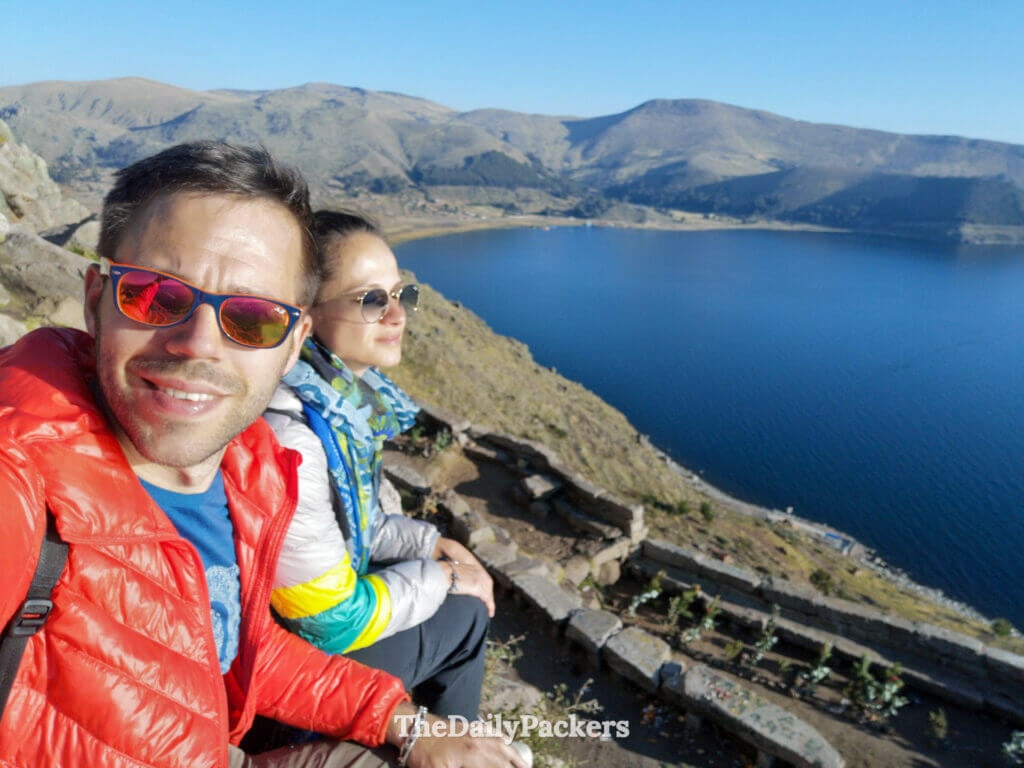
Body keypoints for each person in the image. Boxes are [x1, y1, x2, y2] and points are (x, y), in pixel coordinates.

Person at [0, 141, 526, 768]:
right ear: (95, 301)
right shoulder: (22, 477)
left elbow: (241, 649)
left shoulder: (247, 470)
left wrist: (406, 724)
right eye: (154, 295)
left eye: (251, 317)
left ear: (293, 339)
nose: (196, 344)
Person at [265, 210, 494, 721]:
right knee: (467, 616)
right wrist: (447, 579)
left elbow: (356, 529)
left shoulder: (341, 409)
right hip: (285, 676)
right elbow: (331, 621)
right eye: (370, 299)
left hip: (302, 632)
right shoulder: (294, 439)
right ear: (305, 314)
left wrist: (434, 545)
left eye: (401, 293)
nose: (397, 315)